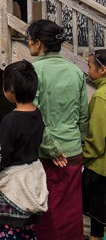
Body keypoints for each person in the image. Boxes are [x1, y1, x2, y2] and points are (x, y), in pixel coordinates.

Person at [26, 19, 88, 240]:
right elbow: (83, 117)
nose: (28, 43)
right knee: (71, 210)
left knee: (47, 209)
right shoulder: (76, 71)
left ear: (39, 43)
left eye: (29, 39)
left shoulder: (33, 71)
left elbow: (32, 114)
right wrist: (76, 143)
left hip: (46, 153)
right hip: (72, 150)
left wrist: (51, 148)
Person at [0, 60, 47, 240]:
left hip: (13, 187)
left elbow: (1, 156)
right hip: (32, 180)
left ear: (11, 90)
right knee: (28, 233)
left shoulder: (10, 120)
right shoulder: (37, 114)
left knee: (9, 234)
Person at [83, 49, 106, 240]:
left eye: (90, 66)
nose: (88, 70)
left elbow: (97, 139)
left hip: (100, 167)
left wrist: (84, 155)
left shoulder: (100, 96)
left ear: (102, 70)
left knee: (97, 218)